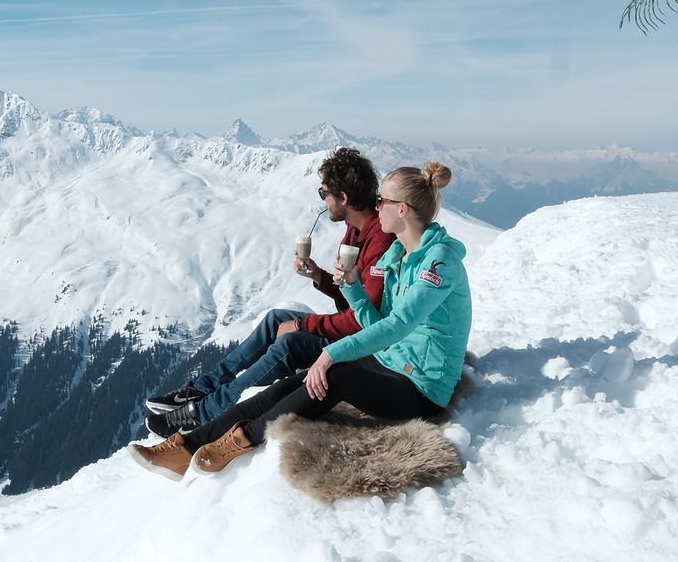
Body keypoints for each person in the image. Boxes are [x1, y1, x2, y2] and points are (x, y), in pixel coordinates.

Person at [130, 162, 470, 480]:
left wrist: (332, 353)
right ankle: (188, 444)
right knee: (296, 382)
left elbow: (397, 326)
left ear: (402, 210)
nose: (376, 206)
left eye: (382, 201)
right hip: (391, 363)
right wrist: (351, 287)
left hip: (422, 387)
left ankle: (239, 440)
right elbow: (375, 321)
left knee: (333, 374)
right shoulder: (401, 255)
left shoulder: (438, 264)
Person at [140, 147, 394, 437]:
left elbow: (366, 320)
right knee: (276, 318)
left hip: (364, 342)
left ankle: (206, 412)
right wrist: (319, 277)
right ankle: (201, 389)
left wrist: (301, 324)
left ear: (344, 198)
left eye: (324, 192)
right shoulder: (356, 231)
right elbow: (351, 297)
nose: (322, 199)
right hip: (351, 328)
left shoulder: (379, 241)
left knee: (288, 342)